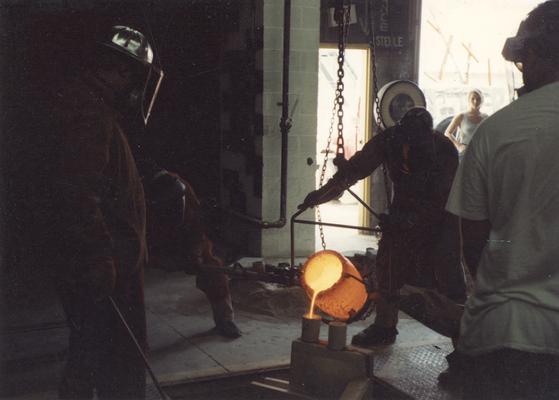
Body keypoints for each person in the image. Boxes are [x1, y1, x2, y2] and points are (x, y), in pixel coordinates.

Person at [35, 25, 163, 399]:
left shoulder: (89, 106)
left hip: (104, 264)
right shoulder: (88, 113)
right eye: (132, 77)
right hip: (104, 269)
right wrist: (99, 257)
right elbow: (76, 192)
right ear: (122, 72)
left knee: (89, 352)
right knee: (114, 361)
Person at [442, 2, 559, 398]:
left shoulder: (496, 132)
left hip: (502, 335)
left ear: (537, 53)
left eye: (523, 59)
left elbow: (471, 244)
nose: (521, 69)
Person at [301, 107, 466, 346]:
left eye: (414, 144)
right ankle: (384, 327)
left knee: (447, 272)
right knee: (388, 266)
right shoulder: (389, 140)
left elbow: (440, 198)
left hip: (441, 214)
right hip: (403, 207)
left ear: (427, 137)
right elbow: (354, 171)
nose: (408, 149)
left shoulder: (443, 150)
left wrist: (409, 220)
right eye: (404, 141)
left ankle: (463, 340)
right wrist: (320, 195)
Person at [135, 154, 242, 338]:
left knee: (213, 267)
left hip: (180, 241)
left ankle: (225, 319)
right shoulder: (133, 195)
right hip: (144, 242)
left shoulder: (183, 190)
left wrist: (196, 254)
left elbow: (198, 231)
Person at [444, 89, 488, 158]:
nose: (475, 101)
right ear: (468, 100)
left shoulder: (486, 117)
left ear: (482, 101)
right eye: (472, 98)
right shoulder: (461, 116)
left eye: (478, 99)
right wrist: (459, 146)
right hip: (465, 152)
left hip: (481, 152)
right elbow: (447, 133)